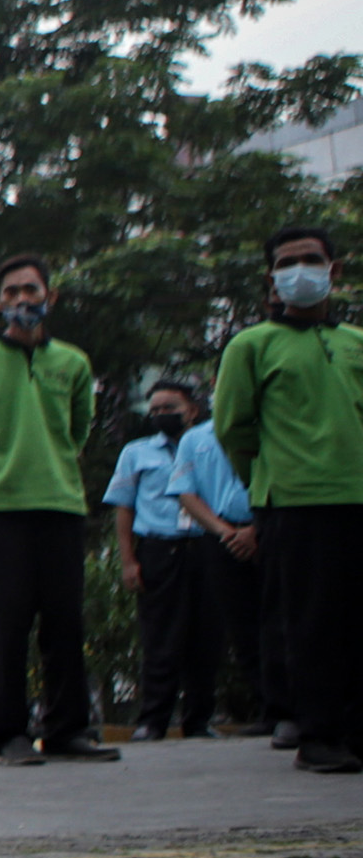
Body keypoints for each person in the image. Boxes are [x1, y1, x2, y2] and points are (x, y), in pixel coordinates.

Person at [0, 255, 116, 769]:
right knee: (7, 624)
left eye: (32, 290)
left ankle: (67, 730)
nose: (23, 299)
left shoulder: (73, 363)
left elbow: (80, 429)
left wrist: (55, 472)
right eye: (12, 291)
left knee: (65, 622)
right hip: (0, 511)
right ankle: (10, 733)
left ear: (50, 296)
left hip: (62, 505)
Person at [213, 225, 363, 774]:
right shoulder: (250, 346)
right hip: (295, 504)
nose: (300, 270)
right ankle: (318, 736)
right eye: (287, 262)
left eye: (311, 259)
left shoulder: (356, 343)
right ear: (272, 278)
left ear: (334, 269)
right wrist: (271, 478)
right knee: (311, 623)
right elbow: (233, 427)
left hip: (357, 496)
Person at [107, 376, 214, 742]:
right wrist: (128, 560)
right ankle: (153, 721)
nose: (161, 414)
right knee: (159, 638)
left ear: (192, 410)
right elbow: (123, 508)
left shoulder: (211, 446)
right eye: (155, 410)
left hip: (204, 547)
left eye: (170, 408)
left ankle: (198, 721)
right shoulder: (136, 453)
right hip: (158, 549)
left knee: (205, 637)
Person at [171, 400, 266, 738]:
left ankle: (298, 708)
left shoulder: (270, 429)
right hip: (219, 538)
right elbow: (185, 493)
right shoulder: (194, 439)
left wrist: (256, 529)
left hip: (269, 529)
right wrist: (225, 531)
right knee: (241, 625)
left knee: (283, 618)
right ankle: (270, 707)